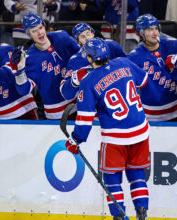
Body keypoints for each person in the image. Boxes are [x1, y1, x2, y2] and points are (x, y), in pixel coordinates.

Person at [65, 38, 149, 220]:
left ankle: (118, 216)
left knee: (112, 179)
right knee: (136, 174)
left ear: (89, 58)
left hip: (115, 138)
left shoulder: (88, 81)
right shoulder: (124, 62)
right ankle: (142, 211)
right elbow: (143, 80)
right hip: (141, 131)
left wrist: (75, 140)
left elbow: (84, 120)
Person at [127, 14, 177, 122]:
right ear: (141, 33)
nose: (155, 32)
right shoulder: (134, 57)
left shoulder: (174, 45)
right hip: (152, 113)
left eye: (156, 28)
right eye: (150, 29)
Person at [20, 13, 80, 119]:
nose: (40, 33)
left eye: (40, 28)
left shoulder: (62, 37)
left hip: (79, 103)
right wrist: (18, 72)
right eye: (34, 31)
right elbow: (24, 90)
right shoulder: (29, 58)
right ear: (28, 34)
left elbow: (82, 57)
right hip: (57, 113)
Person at [60, 23, 126, 101]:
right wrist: (74, 80)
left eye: (88, 34)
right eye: (82, 37)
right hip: (94, 102)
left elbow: (127, 67)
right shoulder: (75, 60)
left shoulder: (112, 45)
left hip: (118, 94)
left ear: (93, 34)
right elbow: (66, 94)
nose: (87, 38)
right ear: (78, 42)